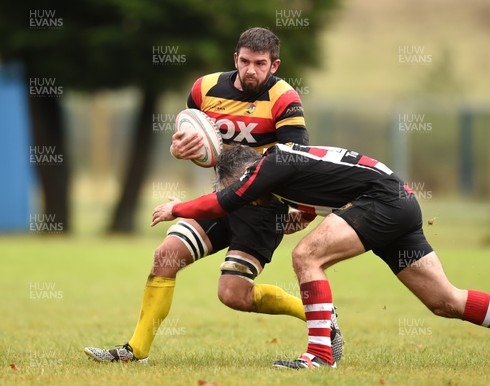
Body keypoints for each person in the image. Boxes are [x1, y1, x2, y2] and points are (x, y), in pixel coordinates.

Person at [150, 143, 490, 369]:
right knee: (446, 301)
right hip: (397, 200)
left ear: (246, 171)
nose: (251, 200)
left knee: (306, 257)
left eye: (245, 188)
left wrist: (176, 208)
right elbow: (325, 189)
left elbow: (225, 202)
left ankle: (319, 354)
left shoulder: (269, 164)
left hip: (383, 200)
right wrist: (300, 214)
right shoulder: (283, 169)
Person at [84, 27, 343, 364]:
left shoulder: (284, 99)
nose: (251, 70)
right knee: (166, 256)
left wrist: (302, 211)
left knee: (232, 295)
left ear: (274, 66)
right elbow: (193, 142)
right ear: (235, 58)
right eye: (245, 61)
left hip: (263, 209)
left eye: (260, 64)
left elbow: (296, 161)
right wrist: (180, 149)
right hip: (221, 198)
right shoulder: (205, 89)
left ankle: (323, 318)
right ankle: (135, 351)